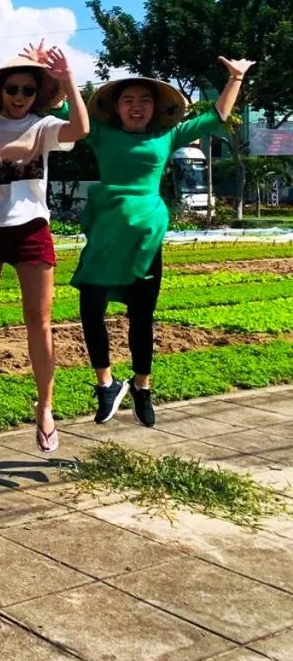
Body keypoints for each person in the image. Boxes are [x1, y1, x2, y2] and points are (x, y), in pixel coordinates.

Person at [74, 57, 254, 427]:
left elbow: (218, 115)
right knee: (91, 309)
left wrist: (235, 77)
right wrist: (60, 77)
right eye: (128, 100)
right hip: (105, 234)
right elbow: (67, 110)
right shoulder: (101, 134)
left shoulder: (166, 136)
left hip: (145, 238)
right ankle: (106, 384)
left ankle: (142, 385)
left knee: (142, 316)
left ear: (155, 108)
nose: (136, 106)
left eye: (145, 100)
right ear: (116, 107)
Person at [0, 46, 89, 453]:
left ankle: (46, 407)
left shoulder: (43, 125)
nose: (19, 96)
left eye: (27, 90)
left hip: (31, 227)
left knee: (40, 321)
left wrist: (68, 80)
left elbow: (80, 129)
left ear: (36, 94)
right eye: (11, 88)